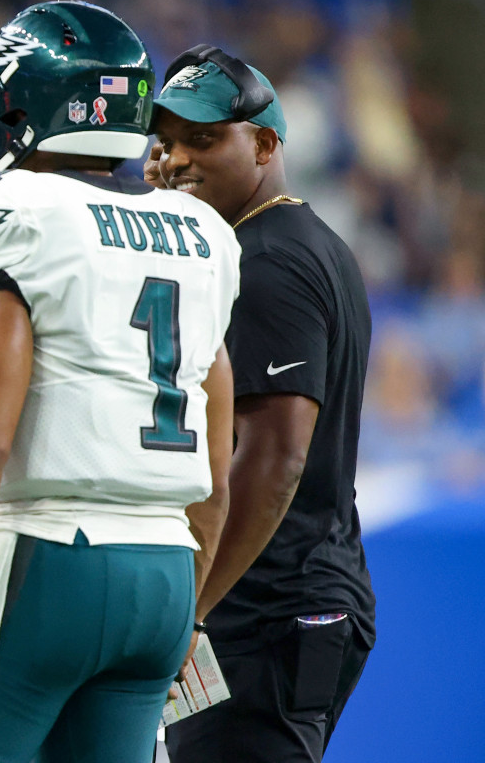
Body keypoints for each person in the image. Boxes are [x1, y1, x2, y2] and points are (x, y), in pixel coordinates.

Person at [0, 1, 241, 763]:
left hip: (50, 557)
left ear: (27, 98)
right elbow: (216, 467)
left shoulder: (8, 209)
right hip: (164, 572)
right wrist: (185, 607)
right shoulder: (204, 233)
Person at [149, 46, 375, 762]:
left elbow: (274, 458)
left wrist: (194, 607)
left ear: (267, 143)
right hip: (281, 596)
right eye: (166, 142)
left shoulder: (269, 258)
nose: (178, 158)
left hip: (268, 605)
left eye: (205, 139)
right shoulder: (278, 242)